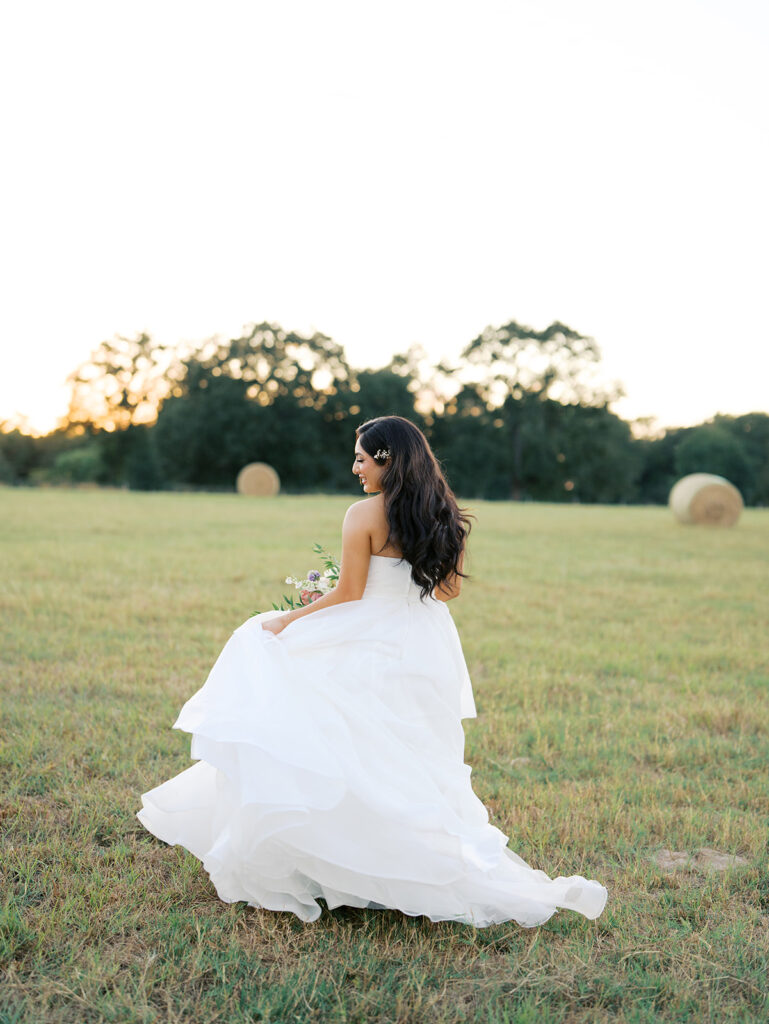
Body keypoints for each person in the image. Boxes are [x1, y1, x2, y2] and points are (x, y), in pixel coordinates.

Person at [136, 415, 608, 927]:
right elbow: (449, 592)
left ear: (385, 460)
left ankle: (341, 861)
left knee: (335, 732)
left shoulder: (362, 514)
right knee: (404, 754)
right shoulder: (445, 513)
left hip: (368, 637)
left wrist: (288, 619)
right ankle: (399, 864)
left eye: (361, 457)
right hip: (422, 641)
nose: (355, 467)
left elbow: (350, 593)